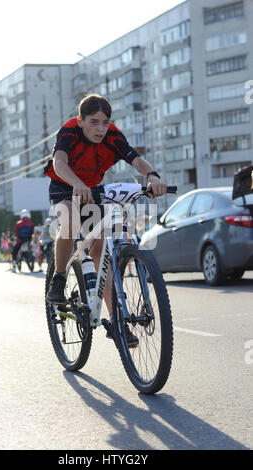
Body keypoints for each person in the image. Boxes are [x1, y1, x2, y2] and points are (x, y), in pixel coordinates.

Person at [44, 94, 167, 346]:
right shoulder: (69, 130)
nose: (100, 128)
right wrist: (77, 184)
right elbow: (59, 163)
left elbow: (135, 158)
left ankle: (117, 321)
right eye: (94, 122)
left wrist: (153, 176)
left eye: (105, 122)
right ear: (81, 121)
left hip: (92, 190)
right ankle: (58, 279)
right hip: (65, 185)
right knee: (70, 219)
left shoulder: (113, 134)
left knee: (101, 248)